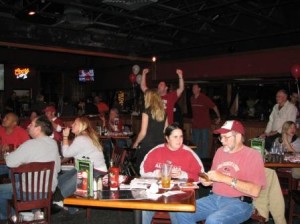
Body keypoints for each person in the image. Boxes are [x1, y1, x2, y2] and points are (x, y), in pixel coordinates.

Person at [175, 120, 266, 224]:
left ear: (239, 137)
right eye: (221, 137)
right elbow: (215, 178)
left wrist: (223, 178)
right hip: (214, 198)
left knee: (214, 221)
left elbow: (255, 191)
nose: (222, 141)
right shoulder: (220, 152)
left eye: (226, 137)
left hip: (240, 203)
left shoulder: (253, 155)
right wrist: (208, 181)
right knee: (182, 211)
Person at [141, 123, 204, 224]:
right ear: (167, 138)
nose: (179, 140)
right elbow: (143, 171)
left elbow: (201, 176)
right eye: (175, 137)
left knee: (176, 211)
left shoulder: (189, 153)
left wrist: (182, 175)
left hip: (178, 195)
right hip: (157, 193)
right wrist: (158, 174)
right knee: (144, 209)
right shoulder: (156, 151)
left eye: (181, 136)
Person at [0, 115, 61, 220]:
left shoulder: (29, 144)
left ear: (38, 129)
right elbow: (58, 168)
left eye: (31, 124)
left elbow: (9, 162)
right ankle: (33, 213)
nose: (28, 126)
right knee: (21, 181)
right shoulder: (53, 143)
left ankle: (9, 217)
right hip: (48, 192)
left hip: (28, 193)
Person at [53, 116, 107, 209]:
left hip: (95, 172)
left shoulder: (81, 138)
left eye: (75, 124)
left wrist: (65, 136)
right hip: (88, 169)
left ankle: (73, 206)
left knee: (64, 189)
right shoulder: (85, 136)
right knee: (60, 181)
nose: (71, 125)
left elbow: (66, 153)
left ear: (82, 126)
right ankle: (71, 203)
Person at [132, 89, 168, 175]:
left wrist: (136, 143)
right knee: (156, 171)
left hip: (147, 145)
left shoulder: (146, 111)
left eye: (145, 97)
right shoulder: (164, 112)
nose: (144, 99)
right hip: (160, 145)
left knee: (142, 170)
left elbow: (143, 132)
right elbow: (165, 130)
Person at [190, 83, 221, 158]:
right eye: (193, 88)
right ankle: (197, 159)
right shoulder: (192, 98)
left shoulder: (204, 98)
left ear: (199, 89)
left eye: (195, 88)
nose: (193, 89)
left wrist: (218, 116)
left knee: (204, 144)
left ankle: (204, 160)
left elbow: (214, 106)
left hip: (204, 125)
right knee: (195, 144)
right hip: (195, 125)